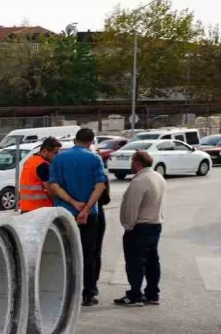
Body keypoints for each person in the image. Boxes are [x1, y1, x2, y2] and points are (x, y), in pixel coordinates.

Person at [48, 128, 108, 306]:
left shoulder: (59, 158)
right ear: (90, 142)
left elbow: (54, 185)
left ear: (75, 140)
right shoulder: (94, 158)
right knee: (89, 254)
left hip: (64, 213)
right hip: (89, 215)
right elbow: (100, 186)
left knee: (65, 253)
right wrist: (86, 208)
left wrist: (73, 203)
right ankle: (89, 293)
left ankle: (66, 293)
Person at [115, 150, 166, 306]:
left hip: (140, 227)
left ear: (137, 163)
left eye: (132, 161)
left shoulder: (140, 181)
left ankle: (135, 295)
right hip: (155, 224)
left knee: (135, 262)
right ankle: (152, 294)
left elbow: (132, 207)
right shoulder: (158, 177)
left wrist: (128, 226)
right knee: (152, 261)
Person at [19, 137, 61, 213]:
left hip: (26, 208)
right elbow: (50, 191)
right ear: (45, 151)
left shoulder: (30, 160)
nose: (57, 156)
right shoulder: (43, 165)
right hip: (40, 210)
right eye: (55, 153)